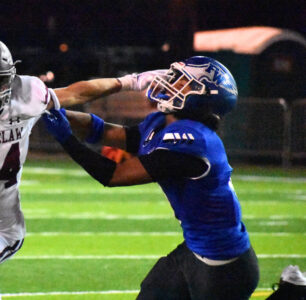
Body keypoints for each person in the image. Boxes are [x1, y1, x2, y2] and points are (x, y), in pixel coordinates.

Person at [0, 33, 136, 300]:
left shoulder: (27, 95)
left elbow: (78, 92)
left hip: (2, 228)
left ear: (9, 77)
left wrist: (131, 81)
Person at [41, 56, 260, 299]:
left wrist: (65, 138)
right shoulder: (164, 122)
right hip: (196, 248)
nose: (169, 82)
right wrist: (54, 113)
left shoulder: (194, 141)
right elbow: (105, 132)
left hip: (224, 266)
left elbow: (113, 174)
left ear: (202, 97)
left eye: (181, 81)